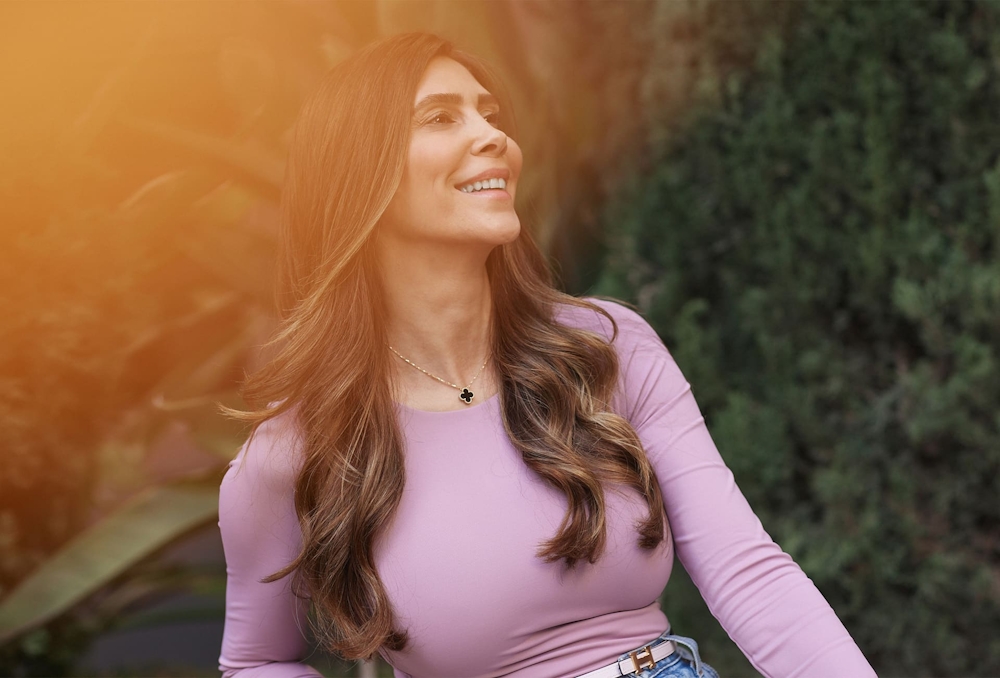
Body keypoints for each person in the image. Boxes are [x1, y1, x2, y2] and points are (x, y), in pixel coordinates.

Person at [217, 32, 877, 678]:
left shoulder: (604, 350)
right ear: (359, 175)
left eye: (491, 113)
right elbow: (254, 661)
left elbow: (750, 573)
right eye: (441, 118)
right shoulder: (297, 448)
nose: (492, 136)